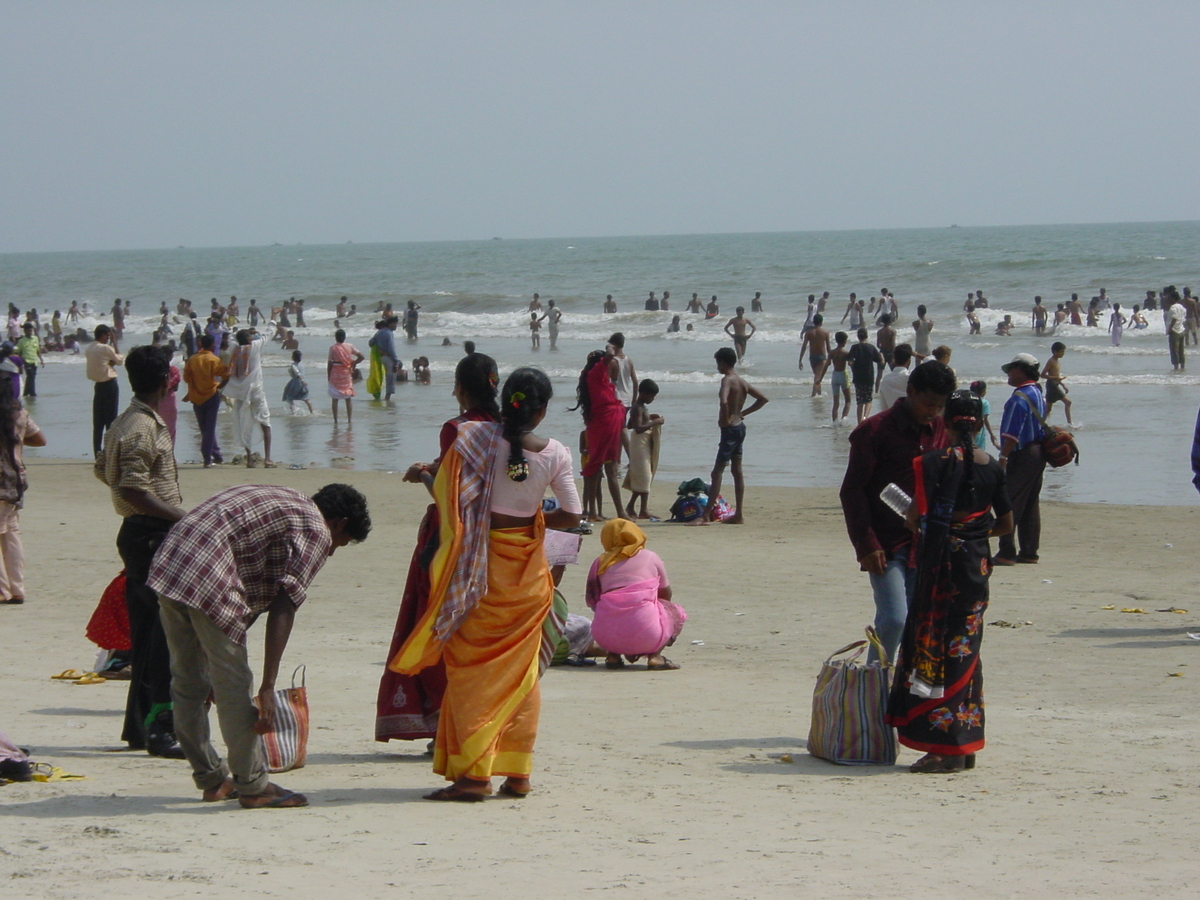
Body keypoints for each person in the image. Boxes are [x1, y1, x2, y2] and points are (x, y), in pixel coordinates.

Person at [389, 367, 583, 801]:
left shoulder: (473, 439)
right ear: (544, 409)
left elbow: (446, 496)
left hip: (479, 573)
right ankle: (517, 772)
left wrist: (421, 475)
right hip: (528, 579)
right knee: (521, 676)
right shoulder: (556, 454)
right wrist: (533, 517)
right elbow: (572, 516)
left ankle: (475, 776)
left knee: (470, 673)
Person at [149, 483, 370, 809]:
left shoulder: (286, 498)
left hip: (172, 563)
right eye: (342, 541)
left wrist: (217, 657)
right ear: (337, 522)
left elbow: (252, 586)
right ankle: (253, 786)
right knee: (234, 688)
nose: (333, 549)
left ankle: (211, 780)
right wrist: (267, 686)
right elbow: (285, 606)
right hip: (208, 573)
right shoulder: (315, 527)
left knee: (189, 683)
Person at [377, 353, 501, 745]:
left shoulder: (456, 430)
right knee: (475, 632)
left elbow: (453, 501)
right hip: (496, 541)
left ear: (461, 389)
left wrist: (426, 475)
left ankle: (440, 723)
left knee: (437, 627)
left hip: (451, 543)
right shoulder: (506, 429)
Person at [886, 391, 1013, 773]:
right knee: (966, 652)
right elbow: (1006, 525)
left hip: (939, 570)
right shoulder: (992, 466)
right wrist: (971, 532)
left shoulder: (931, 463)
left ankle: (943, 747)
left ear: (946, 421)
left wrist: (943, 529)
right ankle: (965, 743)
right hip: (975, 570)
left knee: (935, 650)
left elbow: (913, 518)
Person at [94, 345, 186, 758]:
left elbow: (103, 469)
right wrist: (181, 517)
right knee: (168, 634)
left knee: (148, 636)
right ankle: (161, 728)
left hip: (138, 531)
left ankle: (138, 727)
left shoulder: (123, 422)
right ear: (167, 380)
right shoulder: (141, 428)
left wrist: (132, 503)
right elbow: (131, 485)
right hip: (151, 535)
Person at [839, 361, 955, 663]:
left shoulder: (941, 430)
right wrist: (865, 544)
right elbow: (852, 491)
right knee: (893, 621)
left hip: (928, 543)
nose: (933, 411)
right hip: (886, 544)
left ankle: (901, 698)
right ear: (911, 392)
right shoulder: (873, 432)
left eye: (940, 406)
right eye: (928, 403)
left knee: (919, 626)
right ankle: (873, 684)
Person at [586, 519, 686, 670]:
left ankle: (613, 655)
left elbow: (593, 599)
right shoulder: (650, 556)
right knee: (674, 611)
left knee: (608, 608)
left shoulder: (600, 562)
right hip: (648, 635)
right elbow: (666, 593)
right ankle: (655, 657)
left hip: (605, 637)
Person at [698, 347, 768, 524]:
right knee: (737, 471)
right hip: (740, 428)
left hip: (730, 430)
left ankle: (706, 515)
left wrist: (724, 418)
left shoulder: (727, 380)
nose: (717, 367)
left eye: (718, 363)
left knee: (717, 472)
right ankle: (739, 514)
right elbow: (762, 399)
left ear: (722, 362)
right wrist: (742, 413)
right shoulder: (741, 381)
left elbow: (723, 400)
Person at [993, 353, 1046, 566]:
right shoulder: (1037, 393)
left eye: (1011, 370)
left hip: (1022, 454)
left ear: (1020, 370)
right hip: (1038, 452)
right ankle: (1029, 551)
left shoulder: (1018, 398)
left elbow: (1011, 434)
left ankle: (1006, 551)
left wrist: (1003, 457)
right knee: (1030, 503)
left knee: (1010, 501)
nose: (1008, 374)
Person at [0, 388, 45, 604]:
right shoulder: (20, 415)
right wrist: (16, 442)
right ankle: (17, 589)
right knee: (11, 534)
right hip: (16, 481)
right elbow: (40, 439)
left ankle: (2, 590)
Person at [575, 349, 629, 522]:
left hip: (605, 424)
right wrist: (611, 346)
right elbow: (609, 356)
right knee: (605, 468)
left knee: (599, 467)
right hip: (605, 424)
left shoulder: (597, 379)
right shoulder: (596, 374)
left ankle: (594, 512)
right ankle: (619, 512)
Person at [221, 329, 275, 466]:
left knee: (245, 423)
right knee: (265, 423)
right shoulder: (254, 347)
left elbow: (231, 337)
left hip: (241, 393)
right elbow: (268, 333)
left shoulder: (235, 349)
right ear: (250, 340)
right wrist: (273, 319)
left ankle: (249, 458)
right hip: (256, 391)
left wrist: (242, 334)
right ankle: (267, 458)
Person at [182, 334, 226, 467]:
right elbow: (224, 374)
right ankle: (207, 457)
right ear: (212, 345)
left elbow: (186, 378)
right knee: (210, 427)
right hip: (211, 394)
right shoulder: (214, 359)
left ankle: (216, 454)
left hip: (196, 396)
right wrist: (221, 385)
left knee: (204, 427)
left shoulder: (192, 359)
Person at [623, 379, 663, 519]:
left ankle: (631, 506)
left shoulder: (640, 408)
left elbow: (629, 424)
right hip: (639, 442)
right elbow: (638, 428)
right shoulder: (638, 407)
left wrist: (649, 419)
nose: (652, 399)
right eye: (651, 396)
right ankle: (643, 510)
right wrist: (654, 422)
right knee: (645, 476)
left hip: (642, 442)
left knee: (643, 476)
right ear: (644, 394)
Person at [86, 324, 124, 456]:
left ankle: (97, 450)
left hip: (98, 385)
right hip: (109, 384)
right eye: (108, 335)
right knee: (111, 419)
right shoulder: (105, 348)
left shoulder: (89, 348)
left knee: (98, 420)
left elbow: (105, 361)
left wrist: (110, 361)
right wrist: (115, 342)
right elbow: (119, 360)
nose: (108, 338)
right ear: (103, 335)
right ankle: (110, 450)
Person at [327, 329, 364, 426]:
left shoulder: (333, 348)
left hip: (335, 373)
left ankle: (335, 420)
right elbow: (361, 356)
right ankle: (349, 420)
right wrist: (353, 363)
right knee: (348, 397)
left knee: (335, 398)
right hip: (346, 372)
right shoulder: (350, 346)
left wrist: (328, 375)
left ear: (336, 337)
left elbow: (330, 363)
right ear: (345, 337)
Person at [847, 327, 884, 423]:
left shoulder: (854, 348)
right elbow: (880, 362)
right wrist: (882, 356)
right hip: (869, 376)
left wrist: (854, 369)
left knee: (859, 401)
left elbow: (850, 362)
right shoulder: (871, 347)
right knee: (868, 400)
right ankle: (865, 417)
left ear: (858, 337)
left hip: (858, 377)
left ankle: (859, 421)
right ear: (867, 336)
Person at [799, 314, 831, 396]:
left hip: (812, 357)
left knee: (817, 376)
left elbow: (804, 347)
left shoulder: (809, 333)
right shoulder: (825, 332)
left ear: (813, 322)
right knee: (817, 377)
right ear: (821, 322)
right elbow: (828, 347)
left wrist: (800, 360)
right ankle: (813, 395)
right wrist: (831, 358)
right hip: (822, 357)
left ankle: (819, 394)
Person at [1041, 342, 1072, 424]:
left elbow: (1057, 376)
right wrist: (1056, 378)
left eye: (1063, 352)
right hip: (1052, 385)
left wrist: (1063, 385)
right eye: (1061, 351)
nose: (1063, 354)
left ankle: (1040, 424)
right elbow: (1042, 375)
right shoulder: (1051, 361)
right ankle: (1070, 424)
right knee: (1068, 402)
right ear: (1055, 351)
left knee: (1048, 409)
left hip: (1055, 384)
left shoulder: (1057, 361)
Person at [877, 343, 913, 411]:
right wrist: (916, 354)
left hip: (893, 418)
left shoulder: (885, 380)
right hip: (911, 418)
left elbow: (884, 408)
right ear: (909, 361)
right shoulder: (912, 377)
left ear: (894, 360)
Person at [371, 316, 400, 400]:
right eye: (395, 324)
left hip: (382, 357)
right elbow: (391, 348)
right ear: (390, 324)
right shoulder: (389, 333)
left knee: (381, 376)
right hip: (389, 358)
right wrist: (396, 361)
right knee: (390, 379)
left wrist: (380, 350)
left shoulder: (379, 332)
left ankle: (378, 395)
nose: (396, 326)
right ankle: (387, 398)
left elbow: (371, 343)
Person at [607, 332, 637, 408]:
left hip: (616, 398)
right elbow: (635, 382)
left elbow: (606, 381)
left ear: (613, 345)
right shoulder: (629, 361)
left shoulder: (612, 362)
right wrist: (634, 399)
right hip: (628, 398)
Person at [827, 331, 852, 422]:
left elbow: (827, 364)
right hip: (843, 374)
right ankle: (844, 419)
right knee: (848, 400)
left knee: (836, 402)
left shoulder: (832, 352)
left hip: (835, 375)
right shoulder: (846, 353)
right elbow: (850, 364)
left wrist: (820, 378)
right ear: (844, 341)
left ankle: (834, 422)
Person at [159, 344, 181, 444]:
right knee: (170, 429)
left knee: (157, 429)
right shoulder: (173, 370)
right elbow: (175, 387)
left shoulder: (155, 370)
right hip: (169, 400)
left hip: (155, 401)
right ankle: (169, 453)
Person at [969, 381, 999, 450]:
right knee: (978, 450)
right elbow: (985, 420)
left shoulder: (967, 401)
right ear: (983, 391)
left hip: (967, 428)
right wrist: (991, 434)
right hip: (978, 430)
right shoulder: (984, 403)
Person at [282, 350, 314, 414]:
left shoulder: (293, 365)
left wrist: (301, 380)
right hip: (304, 381)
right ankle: (312, 412)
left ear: (293, 357)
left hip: (296, 382)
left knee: (290, 397)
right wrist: (303, 381)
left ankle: (293, 412)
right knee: (306, 398)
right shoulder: (301, 365)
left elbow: (297, 373)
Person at [16, 323, 42, 399]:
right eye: (29, 331)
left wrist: (41, 359)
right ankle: (33, 393)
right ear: (25, 331)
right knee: (31, 376)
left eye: (31, 330)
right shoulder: (21, 341)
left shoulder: (35, 338)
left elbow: (37, 350)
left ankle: (26, 393)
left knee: (31, 377)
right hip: (26, 361)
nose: (30, 332)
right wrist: (22, 361)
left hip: (34, 361)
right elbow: (17, 352)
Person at [1167, 293, 1187, 371]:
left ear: (1173, 298)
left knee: (1174, 350)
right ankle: (1182, 366)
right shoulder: (1181, 307)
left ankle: (1176, 367)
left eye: (1169, 298)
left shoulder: (1173, 307)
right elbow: (1183, 317)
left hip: (1174, 330)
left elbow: (1174, 318)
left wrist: (1169, 329)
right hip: (1181, 329)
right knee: (1181, 349)